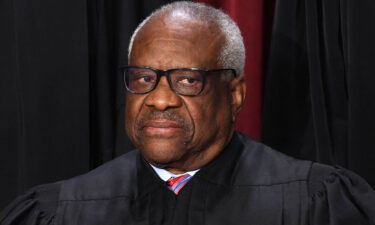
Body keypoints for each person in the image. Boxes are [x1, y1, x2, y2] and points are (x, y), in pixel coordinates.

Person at [1, 1, 375, 225]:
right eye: (144, 78)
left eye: (186, 80)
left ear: (235, 94)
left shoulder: (313, 204)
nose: (159, 100)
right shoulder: (63, 211)